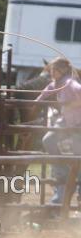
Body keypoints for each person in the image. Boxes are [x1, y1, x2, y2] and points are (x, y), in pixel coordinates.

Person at [36, 57, 81, 204]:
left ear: (61, 70)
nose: (51, 72)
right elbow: (44, 93)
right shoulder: (56, 83)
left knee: (78, 156)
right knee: (48, 140)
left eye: (53, 70)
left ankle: (79, 193)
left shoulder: (70, 82)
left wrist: (72, 103)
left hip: (78, 123)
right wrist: (34, 103)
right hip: (66, 120)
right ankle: (63, 171)